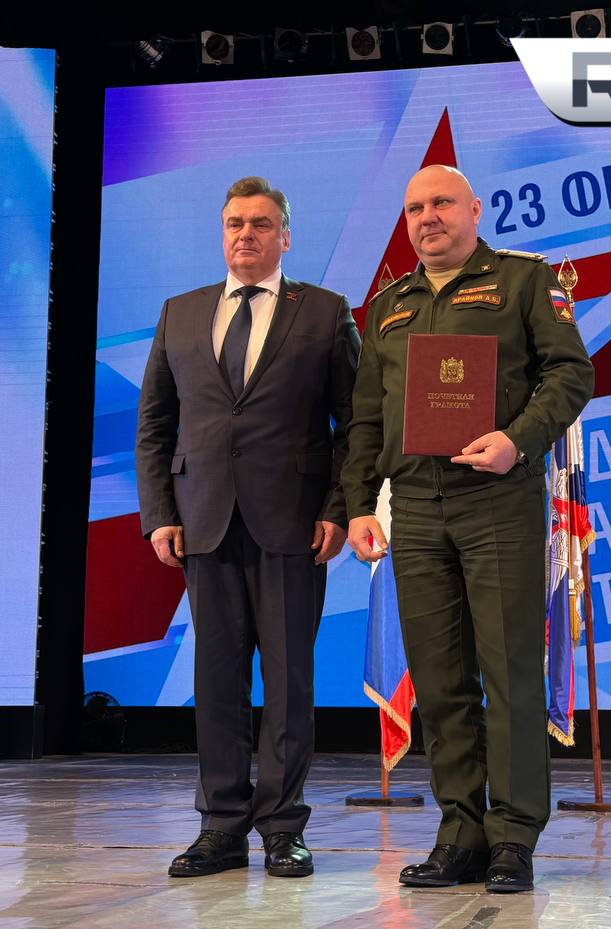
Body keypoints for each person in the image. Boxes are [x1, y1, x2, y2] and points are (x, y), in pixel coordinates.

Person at [342, 165, 594, 894]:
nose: (428, 217)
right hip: (415, 508)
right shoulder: (388, 305)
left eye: (442, 203)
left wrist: (519, 439)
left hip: (497, 502)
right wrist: (359, 504)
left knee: (509, 674)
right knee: (442, 682)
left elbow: (570, 375)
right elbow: (366, 418)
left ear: (475, 210)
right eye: (414, 207)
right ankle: (460, 832)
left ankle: (514, 836)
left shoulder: (525, 281)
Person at [136, 176, 359, 879]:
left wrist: (337, 509)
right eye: (235, 223)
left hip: (293, 526)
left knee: (289, 687)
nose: (246, 234)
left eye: (261, 224)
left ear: (285, 236)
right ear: (222, 232)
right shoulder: (180, 313)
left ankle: (284, 829)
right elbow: (154, 425)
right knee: (217, 681)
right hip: (203, 524)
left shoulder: (324, 312)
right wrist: (159, 515)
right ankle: (221, 828)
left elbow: (356, 425)